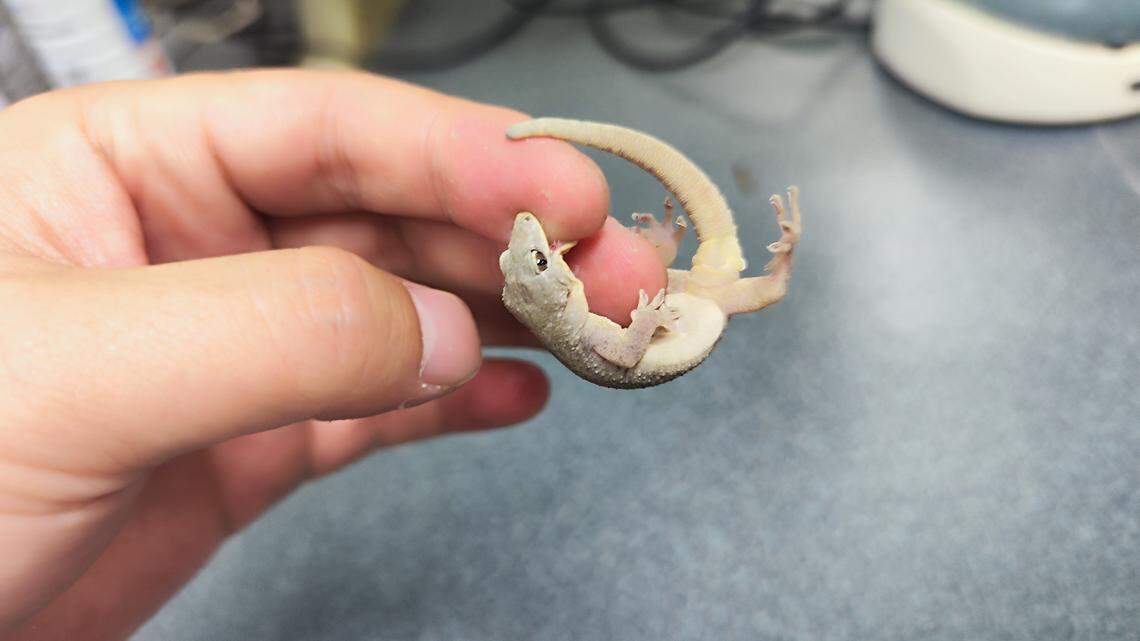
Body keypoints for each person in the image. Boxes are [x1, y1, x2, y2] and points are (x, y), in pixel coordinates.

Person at [0, 69, 665, 640]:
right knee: (647, 285)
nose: (529, 237)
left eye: (538, 258)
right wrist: (646, 315)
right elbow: (631, 345)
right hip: (634, 341)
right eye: (533, 258)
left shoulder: (575, 321)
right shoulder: (581, 325)